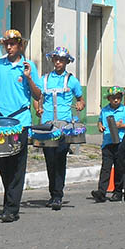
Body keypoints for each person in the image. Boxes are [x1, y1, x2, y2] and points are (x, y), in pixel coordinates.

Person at [0, 29, 42, 222]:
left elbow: (37, 95)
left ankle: (11, 208)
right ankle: (8, 201)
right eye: (6, 44)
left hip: (21, 123)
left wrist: (28, 77)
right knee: (3, 164)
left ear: (20, 45)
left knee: (18, 166)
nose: (9, 47)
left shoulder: (28, 66)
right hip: (0, 121)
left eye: (12, 44)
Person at [36, 46, 83, 210]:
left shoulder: (72, 80)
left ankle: (58, 195)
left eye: (61, 59)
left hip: (64, 126)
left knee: (60, 158)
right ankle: (52, 193)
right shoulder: (44, 79)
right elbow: (37, 97)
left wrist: (79, 104)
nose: (58, 62)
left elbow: (80, 99)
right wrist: (38, 107)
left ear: (66, 62)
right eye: (56, 59)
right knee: (49, 160)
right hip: (47, 126)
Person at [92, 86, 125, 203]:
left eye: (118, 98)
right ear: (109, 99)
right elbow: (100, 120)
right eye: (113, 98)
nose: (116, 100)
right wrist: (100, 126)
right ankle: (101, 191)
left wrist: (121, 126)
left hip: (121, 142)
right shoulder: (105, 110)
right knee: (106, 168)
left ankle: (118, 191)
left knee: (119, 168)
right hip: (107, 142)